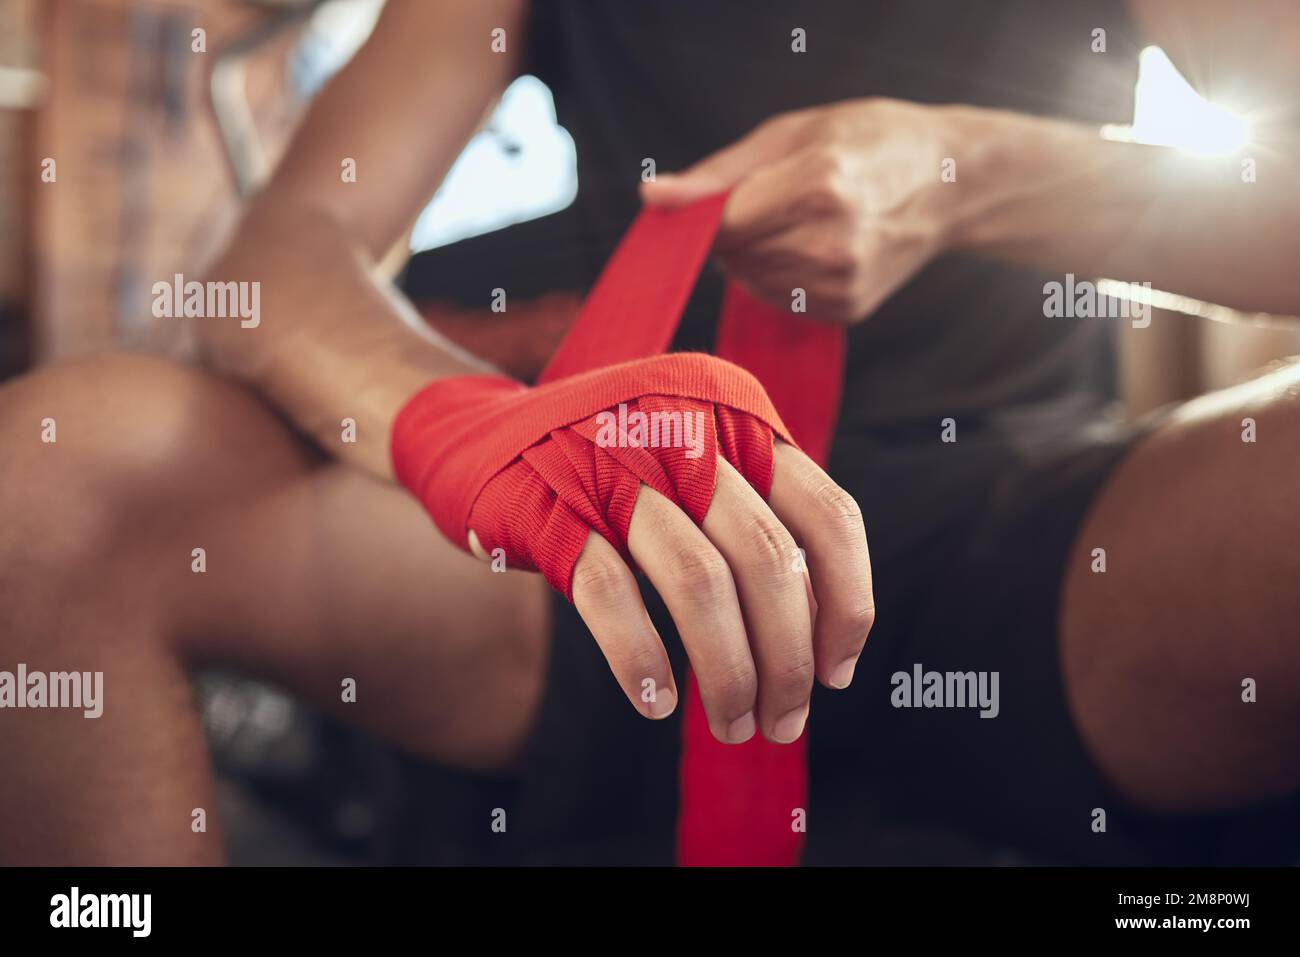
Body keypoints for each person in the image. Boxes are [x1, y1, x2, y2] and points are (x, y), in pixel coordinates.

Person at [2, 0, 1298, 865]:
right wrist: (467, 428)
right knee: (51, 476)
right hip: (609, 522)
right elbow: (282, 252)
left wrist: (968, 172)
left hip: (1041, 545)